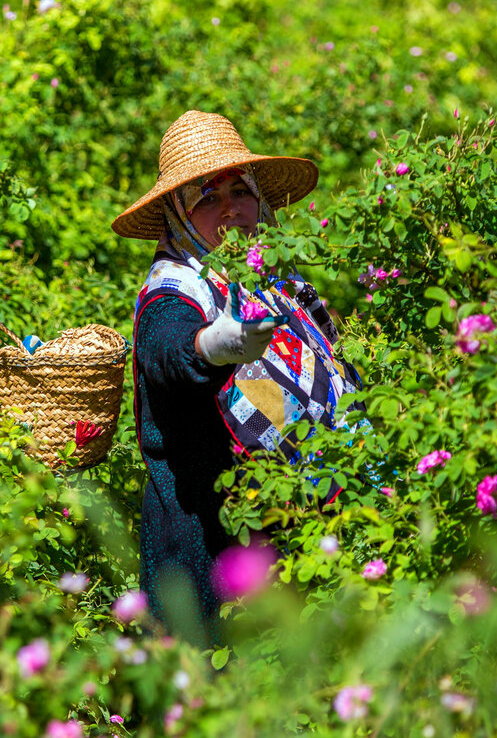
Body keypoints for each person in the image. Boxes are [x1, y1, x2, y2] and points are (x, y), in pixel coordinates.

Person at [110, 110, 365, 647]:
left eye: (239, 191)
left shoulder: (278, 279)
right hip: (210, 538)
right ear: (179, 214)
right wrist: (215, 344)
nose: (230, 209)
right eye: (207, 197)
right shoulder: (174, 291)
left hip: (295, 526)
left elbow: (331, 359)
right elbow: (168, 352)